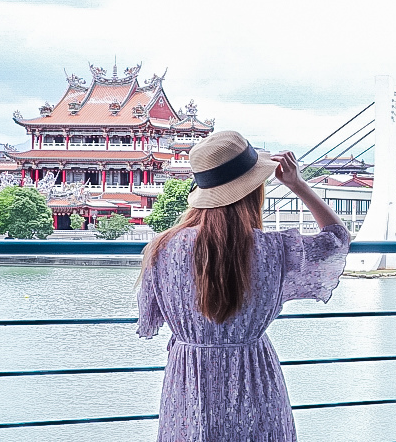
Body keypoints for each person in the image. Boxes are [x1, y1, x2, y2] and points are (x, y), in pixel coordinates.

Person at [137, 130, 350, 442]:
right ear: (253, 191)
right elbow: (336, 238)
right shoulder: (275, 250)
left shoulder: (161, 248)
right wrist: (297, 185)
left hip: (188, 379)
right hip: (253, 373)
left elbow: (151, 318)